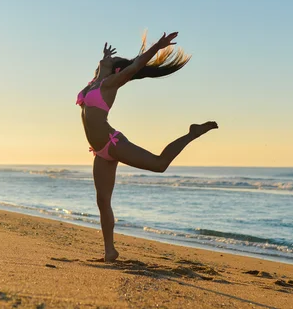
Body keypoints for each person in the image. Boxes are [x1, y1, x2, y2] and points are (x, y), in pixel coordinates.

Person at [76, 31, 218, 262]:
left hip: (113, 143)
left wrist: (157, 47)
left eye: (111, 61)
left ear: (117, 72)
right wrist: (104, 61)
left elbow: (136, 66)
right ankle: (109, 251)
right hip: (100, 152)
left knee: (159, 164)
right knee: (102, 201)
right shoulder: (94, 83)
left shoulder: (111, 84)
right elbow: (103, 72)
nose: (108, 58)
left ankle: (192, 133)